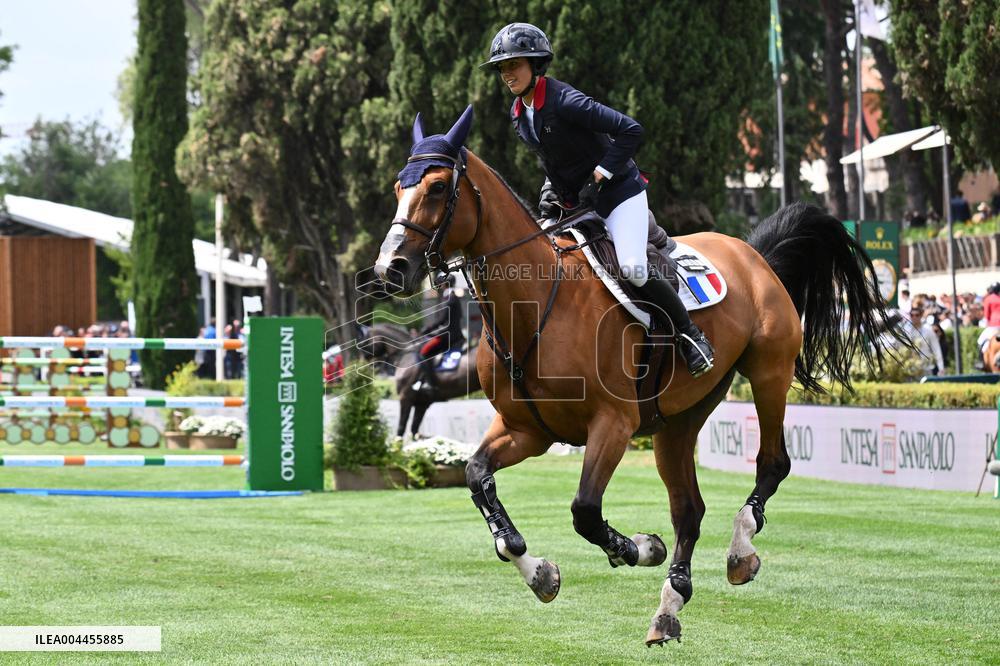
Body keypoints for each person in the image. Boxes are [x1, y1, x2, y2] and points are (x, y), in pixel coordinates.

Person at [479, 22, 714, 378]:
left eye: (514, 65)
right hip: (579, 206)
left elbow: (631, 130)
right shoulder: (519, 115)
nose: (507, 74)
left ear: (535, 64)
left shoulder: (565, 100)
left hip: (620, 196)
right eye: (502, 68)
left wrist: (602, 172)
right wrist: (549, 197)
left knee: (633, 266)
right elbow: (554, 161)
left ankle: (691, 336)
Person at [412, 276, 465, 392]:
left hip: (447, 336)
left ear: (445, 284)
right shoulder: (453, 297)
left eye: (440, 284)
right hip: (454, 334)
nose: (439, 286)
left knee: (424, 352)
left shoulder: (449, 299)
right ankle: (423, 379)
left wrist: (427, 330)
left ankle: (431, 384)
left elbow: (442, 320)